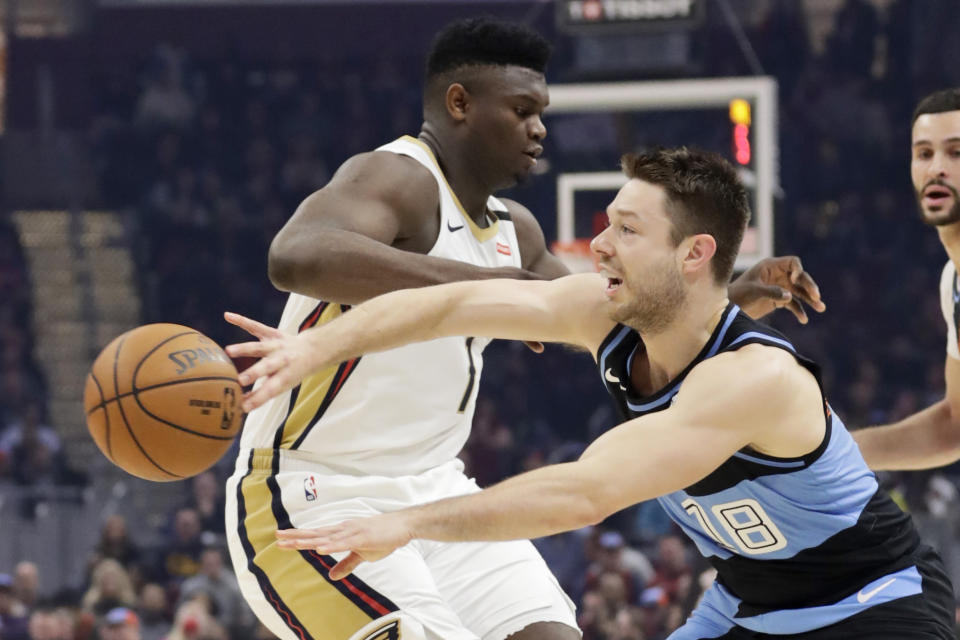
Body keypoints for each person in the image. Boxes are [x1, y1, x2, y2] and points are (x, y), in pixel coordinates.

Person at [225, 16, 823, 640]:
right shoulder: (397, 177)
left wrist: (724, 297)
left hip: (432, 488)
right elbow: (295, 254)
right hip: (313, 485)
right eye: (520, 109)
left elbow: (596, 319)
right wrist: (484, 287)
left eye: (542, 111)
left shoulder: (518, 231)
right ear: (459, 104)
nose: (540, 128)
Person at [229, 147, 953, 639]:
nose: (598, 244)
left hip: (873, 603)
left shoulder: (753, 379)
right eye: (607, 224)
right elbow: (456, 305)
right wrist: (316, 346)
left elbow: (584, 494)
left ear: (695, 255)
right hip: (751, 602)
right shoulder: (602, 312)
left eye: (626, 230)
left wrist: (409, 521)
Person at [851, 88, 960, 469]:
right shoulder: (953, 282)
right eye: (924, 154)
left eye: (956, 152)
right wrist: (830, 457)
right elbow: (954, 426)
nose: (937, 169)